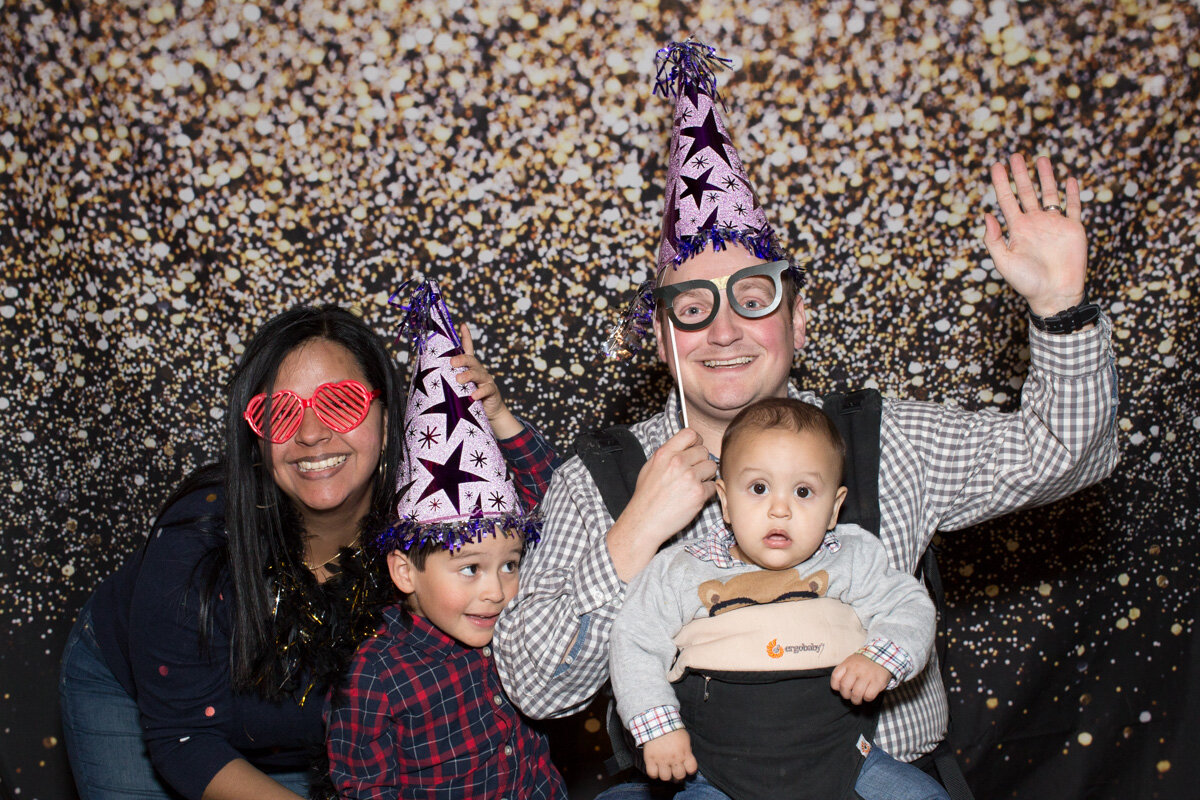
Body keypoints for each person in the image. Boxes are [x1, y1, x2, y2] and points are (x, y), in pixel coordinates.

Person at [491, 38, 1119, 788]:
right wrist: (633, 536)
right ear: (660, 337)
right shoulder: (599, 480)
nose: (724, 331)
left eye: (753, 300)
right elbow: (537, 688)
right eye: (692, 309)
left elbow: (1065, 451)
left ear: (798, 320)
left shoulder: (882, 441)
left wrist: (1059, 309)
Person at [59, 302, 556, 800]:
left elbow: (559, 525)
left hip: (329, 745)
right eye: (279, 412)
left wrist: (498, 418)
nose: (312, 434)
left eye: (341, 402)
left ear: (388, 421)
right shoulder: (197, 543)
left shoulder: (431, 515)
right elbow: (185, 739)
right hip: (155, 712)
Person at [610, 398, 949, 800]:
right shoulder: (681, 570)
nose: (780, 509)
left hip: (842, 756)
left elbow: (909, 606)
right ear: (725, 501)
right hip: (716, 768)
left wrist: (881, 657)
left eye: (803, 491)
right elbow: (635, 642)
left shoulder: (851, 559)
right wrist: (658, 728)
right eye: (759, 488)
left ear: (834, 508)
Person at [326, 280, 566, 799]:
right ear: (405, 571)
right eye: (470, 568)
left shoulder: (517, 629)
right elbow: (364, 788)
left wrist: (498, 417)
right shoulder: (377, 674)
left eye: (510, 564)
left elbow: (562, 503)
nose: (497, 590)